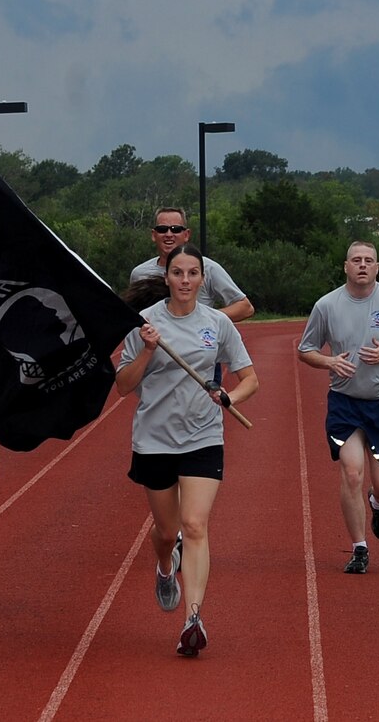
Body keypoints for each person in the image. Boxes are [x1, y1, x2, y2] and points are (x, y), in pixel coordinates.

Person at [116, 243, 258, 656]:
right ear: (167, 278)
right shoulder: (143, 324)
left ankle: (192, 618)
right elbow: (124, 385)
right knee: (166, 532)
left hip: (203, 436)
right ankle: (165, 567)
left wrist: (231, 397)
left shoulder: (217, 323)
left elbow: (250, 378)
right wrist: (146, 350)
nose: (184, 281)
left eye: (192, 273)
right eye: (177, 273)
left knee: (195, 525)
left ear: (201, 278)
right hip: (154, 440)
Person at [297, 241, 379, 574]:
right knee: (352, 473)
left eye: (369, 260)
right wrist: (329, 361)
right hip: (345, 403)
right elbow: (305, 350)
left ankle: (378, 504)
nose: (362, 265)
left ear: (377, 267)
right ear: (346, 266)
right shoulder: (326, 305)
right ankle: (359, 548)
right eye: (356, 260)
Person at [128, 207, 254, 322]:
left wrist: (205, 318)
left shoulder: (208, 268)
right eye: (162, 229)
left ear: (186, 234)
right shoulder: (139, 274)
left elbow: (245, 307)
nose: (169, 235)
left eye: (176, 229)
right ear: (154, 235)